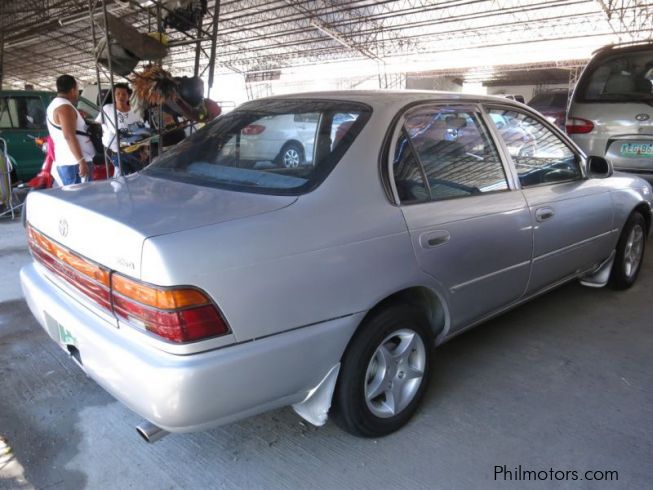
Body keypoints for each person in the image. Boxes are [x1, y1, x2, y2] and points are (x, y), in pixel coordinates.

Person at [46, 75, 95, 185]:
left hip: (69, 161)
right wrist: (81, 161)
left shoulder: (55, 105)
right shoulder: (64, 107)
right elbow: (69, 136)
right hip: (74, 163)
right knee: (81, 198)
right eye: (77, 89)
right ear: (73, 90)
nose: (77, 92)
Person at [95, 83, 145, 176]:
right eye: (117, 93)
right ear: (114, 95)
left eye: (124, 94)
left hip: (135, 152)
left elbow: (141, 132)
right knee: (121, 180)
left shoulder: (134, 111)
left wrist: (143, 150)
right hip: (117, 152)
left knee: (138, 178)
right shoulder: (107, 109)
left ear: (128, 96)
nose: (120, 96)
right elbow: (98, 124)